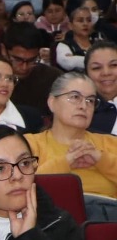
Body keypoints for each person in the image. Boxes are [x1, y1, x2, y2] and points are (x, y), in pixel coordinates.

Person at [25, 72, 117, 222]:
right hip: (50, 221)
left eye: (90, 100)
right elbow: (24, 185)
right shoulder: (30, 144)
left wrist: (101, 159)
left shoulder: (110, 143)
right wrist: (66, 162)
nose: (83, 106)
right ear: (52, 102)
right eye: (75, 97)